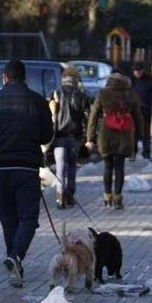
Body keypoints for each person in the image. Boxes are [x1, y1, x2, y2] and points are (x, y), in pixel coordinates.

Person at [0, 60, 53, 288]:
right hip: (26, 168)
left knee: (8, 220)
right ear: (24, 77)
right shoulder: (37, 101)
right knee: (28, 219)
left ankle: (14, 261)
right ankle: (15, 257)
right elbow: (47, 135)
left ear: (4, 78)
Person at [86, 72, 143, 210]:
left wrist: (90, 137)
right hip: (124, 135)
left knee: (107, 166)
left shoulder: (103, 93)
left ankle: (107, 196)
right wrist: (139, 138)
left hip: (106, 135)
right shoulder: (131, 94)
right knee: (119, 167)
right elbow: (138, 118)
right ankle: (118, 197)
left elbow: (93, 116)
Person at [49, 68, 87, 209]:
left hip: (59, 136)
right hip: (74, 136)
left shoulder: (57, 93)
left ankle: (60, 196)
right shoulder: (81, 95)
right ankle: (70, 195)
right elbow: (84, 115)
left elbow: (52, 114)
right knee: (72, 167)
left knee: (60, 168)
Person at [131, 62, 152, 160]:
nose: (136, 73)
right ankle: (133, 152)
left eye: (138, 71)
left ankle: (146, 152)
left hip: (146, 109)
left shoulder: (150, 80)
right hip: (134, 110)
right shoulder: (131, 80)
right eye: (135, 71)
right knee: (134, 132)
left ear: (142, 71)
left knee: (146, 132)